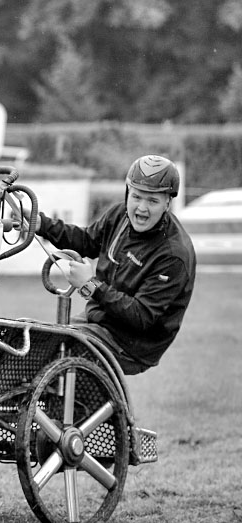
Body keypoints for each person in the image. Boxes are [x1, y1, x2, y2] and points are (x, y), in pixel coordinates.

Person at [33, 154, 196, 375]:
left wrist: (90, 285)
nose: (142, 208)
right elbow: (86, 241)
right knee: (34, 342)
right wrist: (40, 223)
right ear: (128, 192)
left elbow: (142, 317)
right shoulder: (119, 215)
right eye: (137, 197)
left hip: (132, 344)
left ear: (168, 202)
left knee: (61, 355)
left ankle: (83, 407)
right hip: (100, 321)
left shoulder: (173, 255)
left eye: (153, 201)